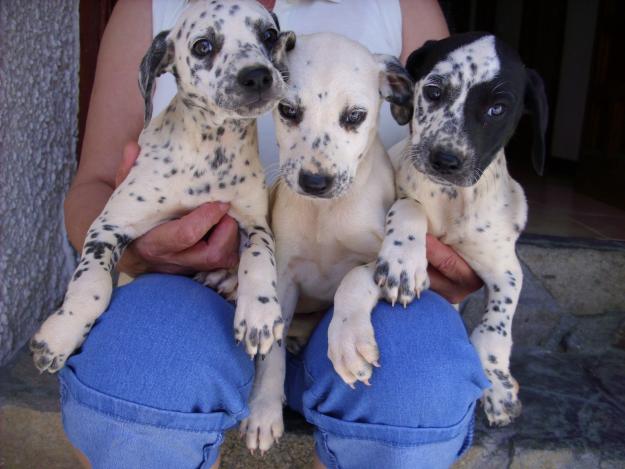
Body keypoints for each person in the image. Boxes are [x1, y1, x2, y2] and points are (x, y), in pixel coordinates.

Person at [60, 1, 488, 468]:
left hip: (367, 292)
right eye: (289, 110)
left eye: (351, 118)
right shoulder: (154, 9)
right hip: (195, 291)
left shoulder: (404, 8)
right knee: (145, 376)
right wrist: (133, 253)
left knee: (420, 387)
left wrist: (466, 247)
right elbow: (95, 185)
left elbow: (453, 156)